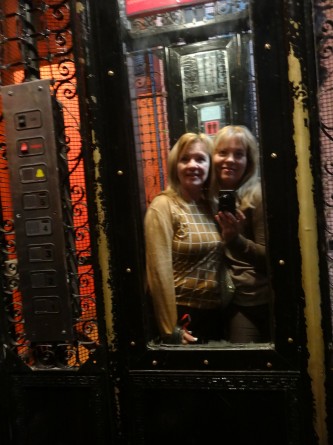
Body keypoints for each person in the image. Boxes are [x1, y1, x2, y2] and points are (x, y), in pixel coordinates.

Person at [144, 132, 229, 345]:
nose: (193, 165)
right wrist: (169, 329)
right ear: (175, 165)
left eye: (200, 159)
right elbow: (158, 271)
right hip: (182, 316)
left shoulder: (210, 205)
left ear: (210, 165)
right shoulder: (163, 206)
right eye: (185, 159)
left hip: (215, 313)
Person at [213, 125, 271, 343]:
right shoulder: (209, 194)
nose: (230, 160)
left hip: (252, 300)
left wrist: (235, 240)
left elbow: (270, 258)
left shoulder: (256, 195)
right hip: (220, 297)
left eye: (239, 154)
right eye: (222, 153)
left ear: (249, 160)